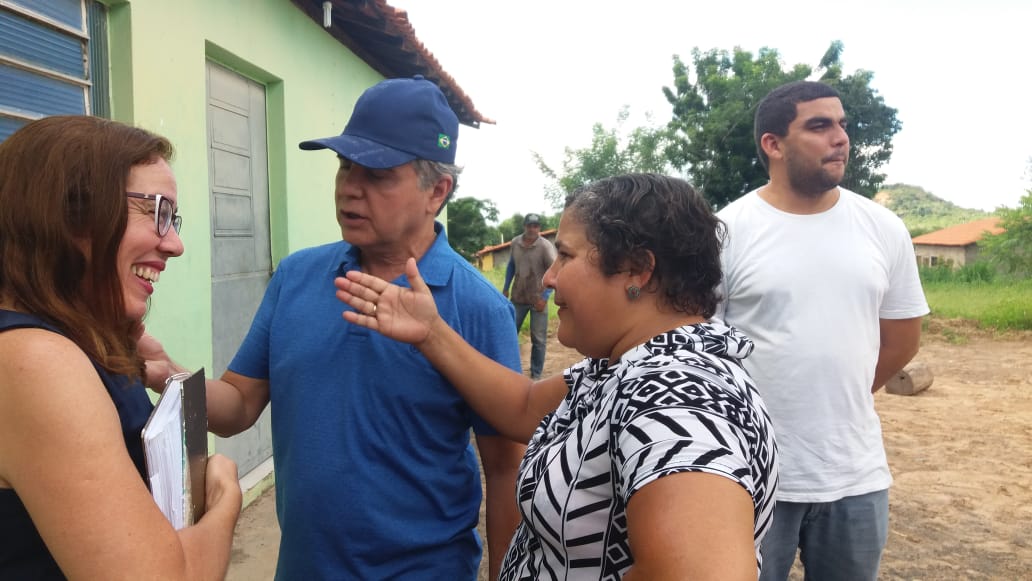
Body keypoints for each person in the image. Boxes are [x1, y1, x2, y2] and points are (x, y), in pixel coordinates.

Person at [142, 76, 526, 580]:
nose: (350, 186)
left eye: (378, 173)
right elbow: (238, 406)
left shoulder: (477, 309)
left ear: (437, 191)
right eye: (345, 165)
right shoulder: (297, 277)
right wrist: (169, 375)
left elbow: (505, 471)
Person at [336, 173, 779, 580]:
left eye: (565, 255)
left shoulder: (676, 397)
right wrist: (431, 332)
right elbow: (524, 406)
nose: (549, 277)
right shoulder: (623, 367)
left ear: (638, 271)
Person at [0, 116, 241, 580]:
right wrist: (225, 500)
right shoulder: (36, 361)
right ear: (71, 215)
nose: (175, 244)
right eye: (159, 214)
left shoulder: (76, 342)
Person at [714, 80, 929, 581]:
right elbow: (703, 349)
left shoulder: (882, 227)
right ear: (773, 144)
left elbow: (901, 338)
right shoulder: (725, 232)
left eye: (842, 125)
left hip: (855, 474)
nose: (841, 138)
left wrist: (838, 396)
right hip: (749, 475)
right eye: (819, 126)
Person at [502, 212, 557, 379]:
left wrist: (545, 297)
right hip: (518, 297)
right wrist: (506, 287)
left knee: (538, 340)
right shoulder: (515, 243)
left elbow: (555, 272)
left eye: (535, 226)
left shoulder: (545, 246)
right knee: (509, 333)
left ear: (539, 228)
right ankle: (509, 369)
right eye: (529, 225)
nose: (532, 229)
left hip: (538, 299)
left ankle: (536, 375)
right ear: (524, 226)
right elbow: (511, 265)